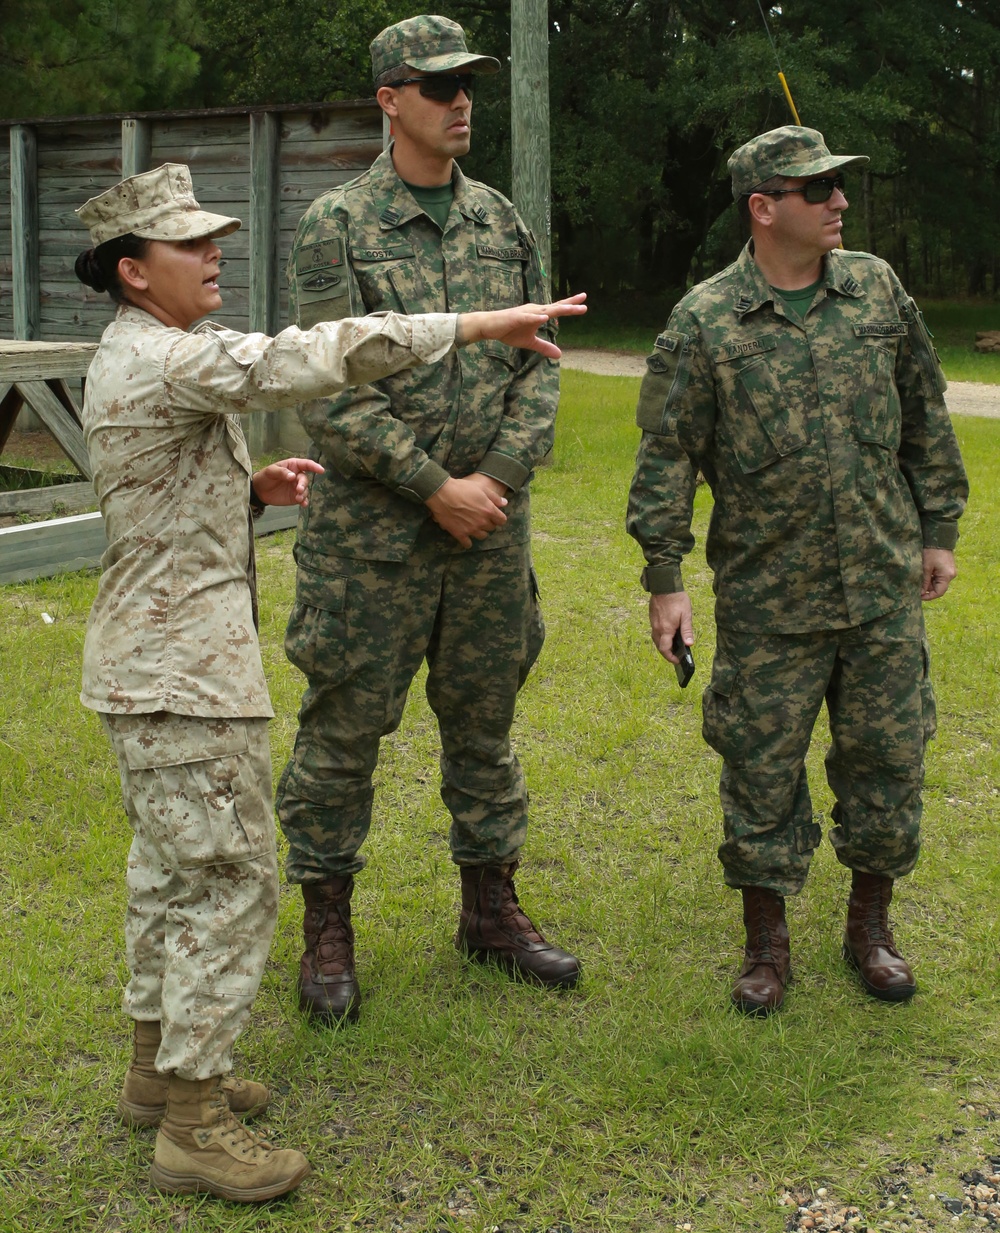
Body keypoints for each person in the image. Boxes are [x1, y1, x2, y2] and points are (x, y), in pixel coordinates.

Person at [75, 161, 585, 1201]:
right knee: (226, 881)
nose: (215, 253)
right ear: (133, 272)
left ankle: (150, 1077)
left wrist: (242, 486)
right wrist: (481, 325)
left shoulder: (137, 355)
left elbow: (149, 492)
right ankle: (196, 1123)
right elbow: (314, 354)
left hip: (149, 661)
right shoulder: (170, 357)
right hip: (182, 671)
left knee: (169, 875)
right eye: (189, 244)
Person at [275, 13, 583, 1026]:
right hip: (373, 539)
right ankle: (328, 929)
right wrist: (431, 486)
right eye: (438, 85)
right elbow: (329, 389)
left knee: (485, 727)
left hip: (489, 535)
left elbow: (539, 358)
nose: (460, 102)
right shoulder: (338, 225)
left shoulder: (501, 220)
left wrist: (492, 475)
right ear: (388, 99)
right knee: (343, 732)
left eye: (469, 85)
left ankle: (490, 912)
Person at [627, 126, 968, 1016]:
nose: (838, 201)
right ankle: (766, 941)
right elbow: (667, 454)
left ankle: (871, 926)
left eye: (839, 186)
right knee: (760, 765)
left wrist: (939, 527)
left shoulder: (877, 291)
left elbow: (925, 410)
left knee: (888, 757)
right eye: (817, 190)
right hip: (770, 595)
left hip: (882, 584)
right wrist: (665, 577)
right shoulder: (705, 321)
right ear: (764, 206)